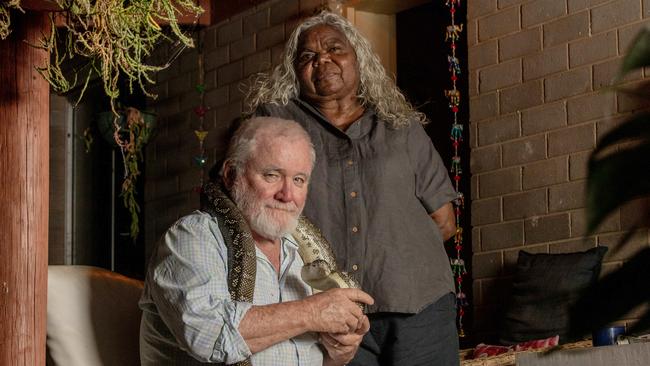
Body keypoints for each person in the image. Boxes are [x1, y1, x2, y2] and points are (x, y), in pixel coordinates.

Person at [245, 11, 459, 366]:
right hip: (328, 313)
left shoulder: (400, 127)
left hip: (419, 303)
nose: (323, 60)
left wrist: (395, 262)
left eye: (334, 49)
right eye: (308, 57)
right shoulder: (274, 126)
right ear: (295, 71)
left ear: (357, 57)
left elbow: (444, 220)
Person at [139, 116, 374, 366]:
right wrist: (314, 312)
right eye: (272, 175)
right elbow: (207, 335)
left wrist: (338, 353)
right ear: (231, 174)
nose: (287, 195)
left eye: (299, 180)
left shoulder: (303, 254)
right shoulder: (192, 237)